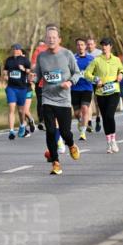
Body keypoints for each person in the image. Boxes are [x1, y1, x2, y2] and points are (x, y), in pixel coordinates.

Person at [36, 25, 81, 175]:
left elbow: (77, 73)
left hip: (63, 100)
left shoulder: (67, 54)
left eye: (54, 38)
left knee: (65, 131)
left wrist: (69, 82)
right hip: (47, 98)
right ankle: (55, 163)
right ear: (45, 40)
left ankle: (72, 144)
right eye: (49, 38)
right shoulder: (41, 56)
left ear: (59, 40)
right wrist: (32, 77)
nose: (51, 40)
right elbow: (37, 76)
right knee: (50, 131)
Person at [83, 38, 123, 152]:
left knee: (110, 115)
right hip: (101, 93)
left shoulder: (116, 59)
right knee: (105, 117)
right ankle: (108, 142)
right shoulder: (96, 60)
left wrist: (120, 74)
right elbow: (87, 73)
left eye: (106, 45)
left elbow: (122, 69)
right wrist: (95, 79)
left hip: (114, 91)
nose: (104, 47)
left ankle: (113, 140)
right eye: (102, 45)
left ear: (110, 46)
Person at [2, 43, 33, 139]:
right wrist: (5, 75)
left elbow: (30, 72)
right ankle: (11, 131)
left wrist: (24, 69)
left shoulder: (25, 60)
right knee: (11, 108)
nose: (15, 50)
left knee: (20, 111)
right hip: (11, 87)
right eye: (13, 48)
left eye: (16, 48)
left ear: (20, 50)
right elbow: (5, 70)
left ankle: (22, 125)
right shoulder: (9, 60)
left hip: (22, 88)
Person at [71, 38, 95, 140]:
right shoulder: (72, 58)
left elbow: (96, 71)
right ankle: (80, 122)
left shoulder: (91, 58)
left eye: (82, 44)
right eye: (78, 45)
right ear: (76, 47)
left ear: (85, 46)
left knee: (85, 109)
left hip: (87, 87)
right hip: (75, 88)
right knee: (77, 113)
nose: (80, 46)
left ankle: (83, 132)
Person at [30, 38, 48, 130]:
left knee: (44, 102)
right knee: (41, 101)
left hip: (50, 82)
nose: (40, 47)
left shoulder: (50, 52)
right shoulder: (37, 52)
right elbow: (32, 66)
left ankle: (45, 120)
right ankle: (42, 121)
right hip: (40, 82)